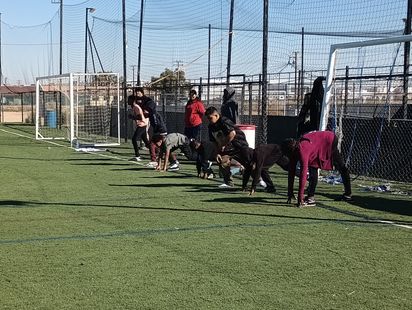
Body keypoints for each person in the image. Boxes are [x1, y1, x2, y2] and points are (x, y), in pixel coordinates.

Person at [281, 130, 352, 208]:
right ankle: (311, 197)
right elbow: (291, 170)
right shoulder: (294, 150)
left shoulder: (302, 150)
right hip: (317, 143)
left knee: (341, 166)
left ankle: (347, 194)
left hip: (329, 140)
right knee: (313, 167)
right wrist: (290, 192)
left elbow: (303, 174)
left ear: (290, 151)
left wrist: (300, 198)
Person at [205, 106, 251, 187]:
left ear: (216, 115)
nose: (209, 120)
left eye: (210, 118)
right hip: (227, 149)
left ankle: (260, 180)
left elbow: (232, 134)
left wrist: (223, 144)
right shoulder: (211, 127)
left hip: (239, 145)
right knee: (222, 162)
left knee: (250, 164)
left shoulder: (224, 121)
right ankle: (228, 183)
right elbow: (214, 142)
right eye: (208, 118)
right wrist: (217, 153)